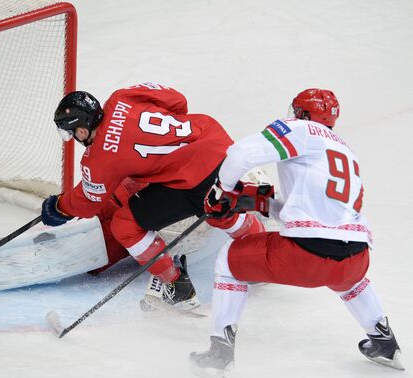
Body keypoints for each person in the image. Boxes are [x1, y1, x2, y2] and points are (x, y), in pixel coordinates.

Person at [189, 88, 404, 378]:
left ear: (302, 113)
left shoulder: (299, 129)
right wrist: (263, 202)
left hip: (305, 256)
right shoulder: (345, 150)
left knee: (228, 259)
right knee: (350, 279)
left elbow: (239, 154)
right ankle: (385, 343)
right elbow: (320, 210)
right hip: (356, 257)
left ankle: (218, 355)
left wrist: (220, 192)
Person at [41, 82, 265, 311]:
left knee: (125, 225)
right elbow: (178, 101)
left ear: (81, 130)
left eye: (71, 133)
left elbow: (88, 203)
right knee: (219, 208)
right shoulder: (122, 97)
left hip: (193, 179)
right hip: (217, 142)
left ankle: (177, 287)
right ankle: (263, 255)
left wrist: (59, 207)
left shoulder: (98, 159)